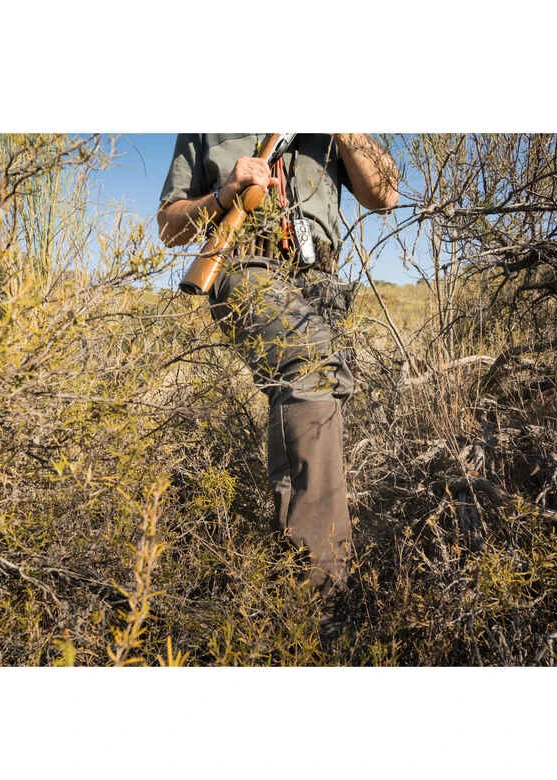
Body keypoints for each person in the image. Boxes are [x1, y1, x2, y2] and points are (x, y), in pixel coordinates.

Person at [157, 133, 398, 629]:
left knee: (316, 404)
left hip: (323, 281)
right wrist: (223, 194)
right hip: (245, 266)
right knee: (310, 369)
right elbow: (169, 226)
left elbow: (385, 196)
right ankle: (323, 598)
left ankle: (288, 585)